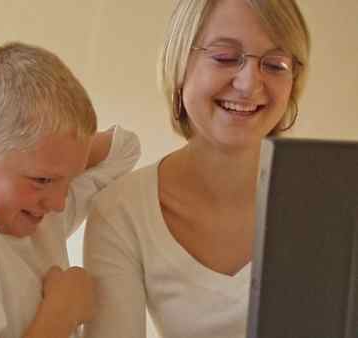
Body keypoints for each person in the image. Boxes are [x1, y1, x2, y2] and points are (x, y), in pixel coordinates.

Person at [82, 0, 310, 338]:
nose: (249, 84)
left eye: (275, 64)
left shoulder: (340, 199)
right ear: (179, 66)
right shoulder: (122, 211)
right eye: (225, 57)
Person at [0, 41, 140, 338]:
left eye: (68, 181)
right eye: (42, 179)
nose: (59, 203)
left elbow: (124, 147)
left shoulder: (36, 217)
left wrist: (58, 163)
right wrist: (62, 314)